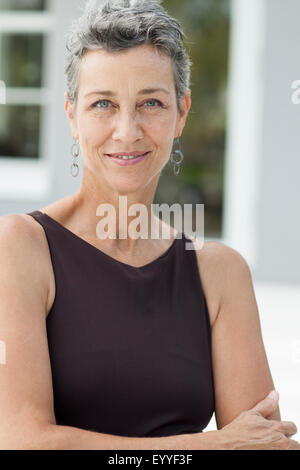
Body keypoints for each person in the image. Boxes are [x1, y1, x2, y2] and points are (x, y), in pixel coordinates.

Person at [0, 0, 299, 450]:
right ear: (71, 115)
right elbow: (22, 442)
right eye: (103, 103)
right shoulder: (21, 247)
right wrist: (208, 446)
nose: (127, 130)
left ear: (181, 114)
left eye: (151, 103)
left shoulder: (218, 272)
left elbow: (263, 445)